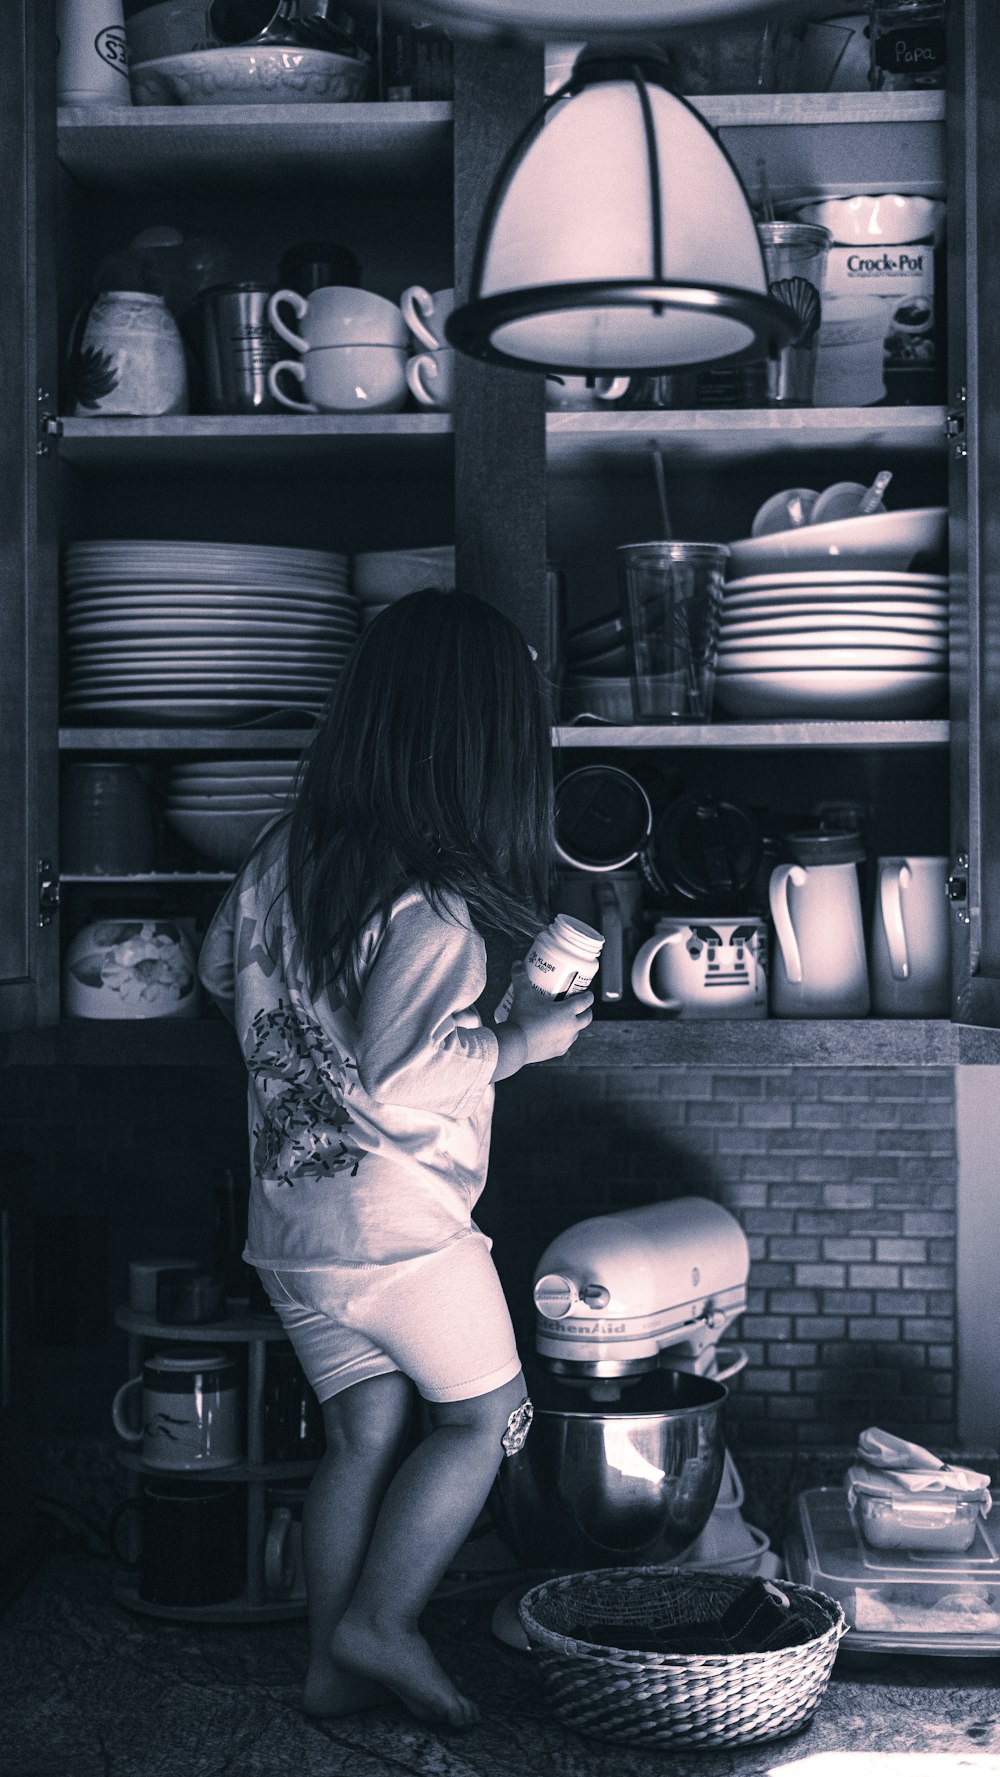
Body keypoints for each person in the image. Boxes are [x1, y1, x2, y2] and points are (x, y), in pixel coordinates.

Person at [198, 588, 593, 1729]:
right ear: (484, 753)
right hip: (404, 1233)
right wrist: (525, 1037)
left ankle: (327, 1665)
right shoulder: (434, 907)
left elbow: (222, 975)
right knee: (488, 1420)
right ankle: (384, 1621)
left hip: (295, 1230)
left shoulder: (279, 860)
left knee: (364, 1432)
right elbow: (409, 1078)